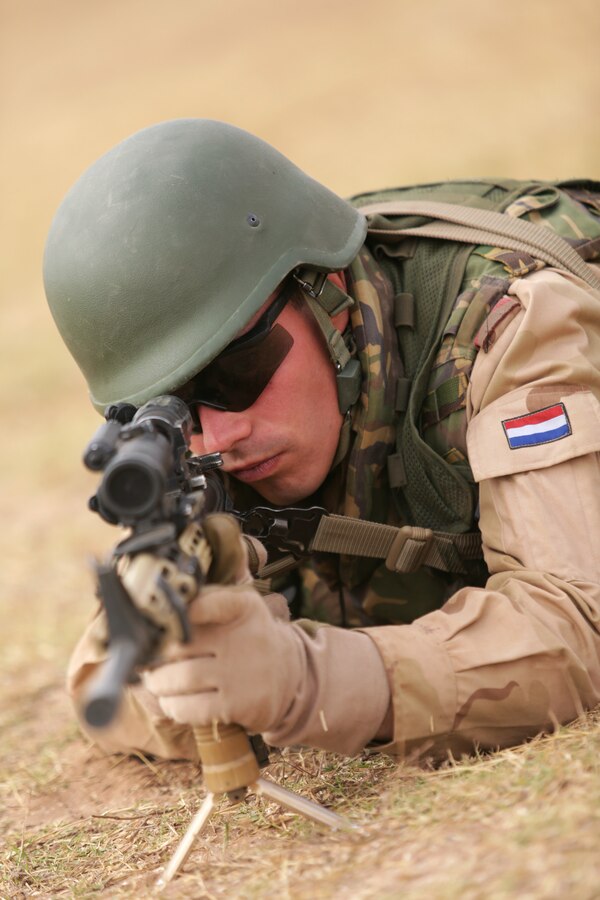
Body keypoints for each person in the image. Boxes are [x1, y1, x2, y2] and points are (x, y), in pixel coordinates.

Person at [43, 119, 600, 765]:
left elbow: (578, 627)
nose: (219, 435)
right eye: (172, 409)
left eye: (234, 373)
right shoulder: (206, 451)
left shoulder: (509, 321)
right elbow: (99, 684)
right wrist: (204, 641)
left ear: (324, 293)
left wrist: (312, 683)